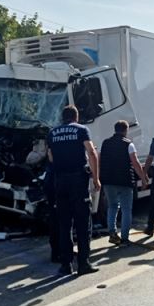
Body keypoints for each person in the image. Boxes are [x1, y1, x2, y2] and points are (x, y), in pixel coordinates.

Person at [47, 105, 101, 276]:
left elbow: (50, 155)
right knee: (82, 223)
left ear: (63, 117)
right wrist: (96, 177)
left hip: (60, 181)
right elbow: (92, 153)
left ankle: (66, 265)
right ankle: (83, 264)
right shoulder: (81, 130)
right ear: (76, 117)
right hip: (78, 181)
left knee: (64, 225)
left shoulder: (52, 132)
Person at [99, 120, 148, 247]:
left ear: (115, 130)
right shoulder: (129, 144)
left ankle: (112, 233)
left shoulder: (105, 143)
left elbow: (100, 160)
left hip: (108, 182)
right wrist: (143, 178)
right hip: (125, 181)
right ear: (126, 130)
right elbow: (136, 163)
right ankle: (125, 238)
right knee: (126, 209)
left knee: (112, 207)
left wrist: (98, 178)